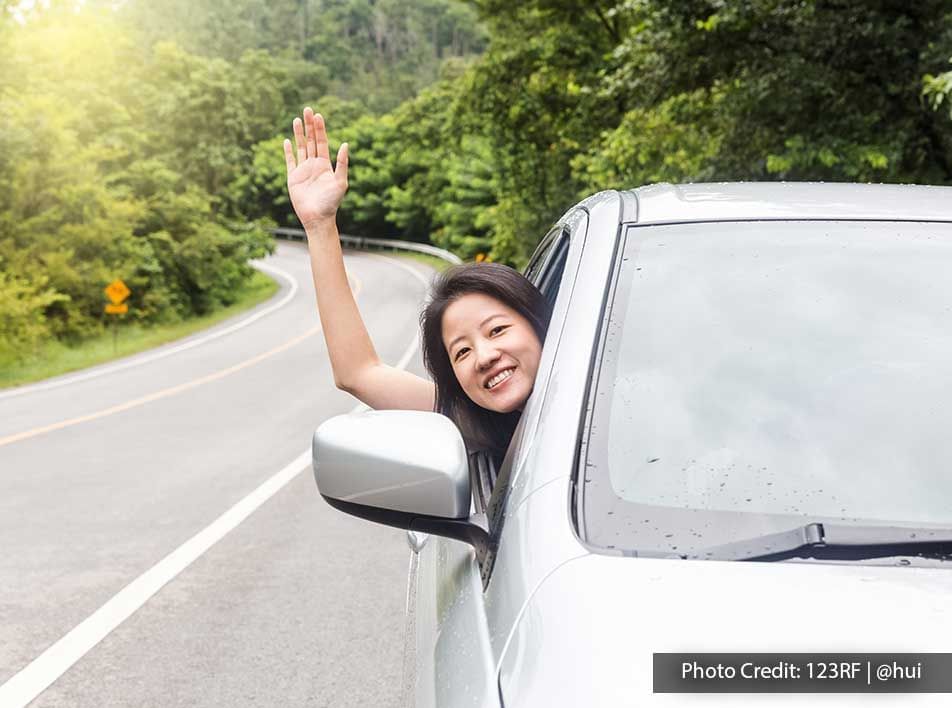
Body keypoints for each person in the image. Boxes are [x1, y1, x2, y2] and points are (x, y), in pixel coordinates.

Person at [283, 107, 551, 467]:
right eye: (462, 352)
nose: (485, 356)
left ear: (540, 325)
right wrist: (319, 225)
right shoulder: (479, 423)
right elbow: (358, 373)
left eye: (498, 330)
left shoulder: (611, 388)